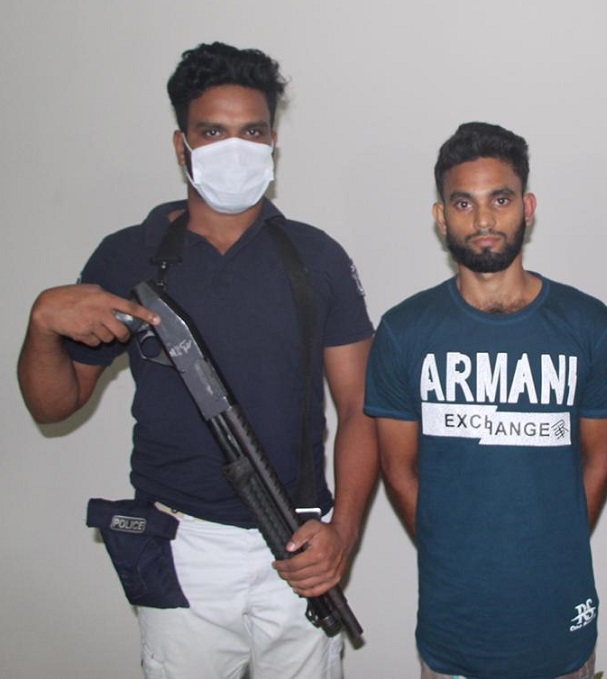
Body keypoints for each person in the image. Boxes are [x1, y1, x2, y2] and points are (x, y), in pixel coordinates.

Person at [17, 42, 378, 678]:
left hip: (299, 541)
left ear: (273, 143)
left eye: (252, 132)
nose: (234, 148)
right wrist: (42, 323)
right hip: (180, 544)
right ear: (181, 145)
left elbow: (360, 407)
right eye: (212, 132)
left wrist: (342, 530)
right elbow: (55, 404)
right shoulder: (127, 256)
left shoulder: (316, 257)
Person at [365, 122, 607, 679]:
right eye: (463, 203)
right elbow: (397, 469)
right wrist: (454, 550)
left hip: (557, 617)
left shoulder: (588, 325)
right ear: (441, 216)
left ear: (527, 208)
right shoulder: (403, 331)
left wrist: (553, 543)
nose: (484, 220)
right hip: (454, 623)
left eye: (501, 199)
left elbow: (600, 461)